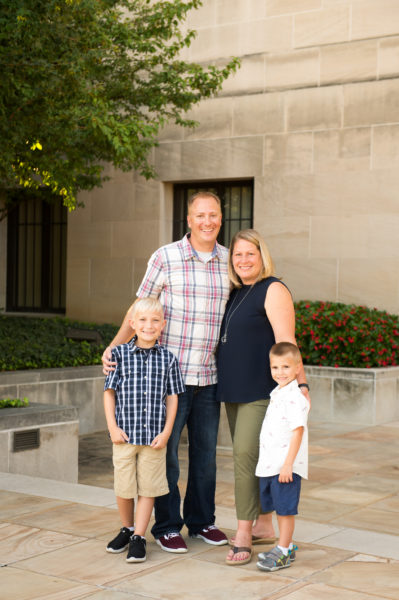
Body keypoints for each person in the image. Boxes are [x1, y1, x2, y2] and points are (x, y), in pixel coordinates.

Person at [102, 191, 230, 553]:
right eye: (200, 215)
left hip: (208, 377)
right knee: (166, 458)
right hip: (167, 381)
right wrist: (114, 347)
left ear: (221, 218)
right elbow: (138, 309)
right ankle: (167, 525)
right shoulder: (166, 257)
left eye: (214, 215)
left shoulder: (228, 261)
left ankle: (203, 521)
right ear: (188, 220)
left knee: (205, 458)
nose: (208, 221)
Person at [216, 229, 311, 566]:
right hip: (232, 390)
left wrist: (301, 386)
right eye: (237, 255)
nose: (243, 260)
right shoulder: (236, 292)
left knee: (243, 455)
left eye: (249, 254)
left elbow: (287, 341)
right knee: (260, 457)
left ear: (262, 256)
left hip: (262, 391)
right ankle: (264, 523)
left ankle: (243, 532)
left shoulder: (273, 289)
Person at [104, 298, 185, 562]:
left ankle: (139, 536)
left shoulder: (169, 359)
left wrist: (167, 431)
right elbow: (109, 393)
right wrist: (112, 428)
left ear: (163, 325)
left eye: (154, 321)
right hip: (124, 436)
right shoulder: (119, 355)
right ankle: (127, 529)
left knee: (148, 488)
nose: (148, 326)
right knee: (124, 486)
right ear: (132, 324)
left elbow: (173, 397)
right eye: (142, 320)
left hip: (153, 438)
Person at [256, 342, 309, 572]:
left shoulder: (294, 397)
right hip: (271, 464)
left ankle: (285, 551)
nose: (280, 372)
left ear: (298, 368)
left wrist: (288, 464)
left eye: (286, 367)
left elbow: (298, 431)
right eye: (275, 367)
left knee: (285, 510)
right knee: (278, 508)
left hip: (285, 467)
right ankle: (282, 545)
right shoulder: (278, 392)